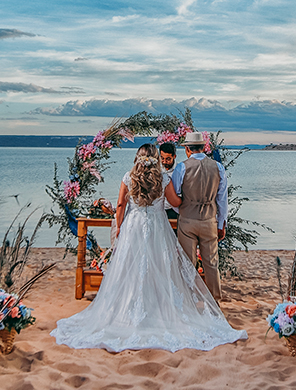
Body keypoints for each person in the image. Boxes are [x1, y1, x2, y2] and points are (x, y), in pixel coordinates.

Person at [51, 144, 246, 353]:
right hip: (157, 227)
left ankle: (127, 310)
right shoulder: (163, 179)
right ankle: (160, 307)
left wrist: (118, 228)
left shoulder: (128, 177)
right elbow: (176, 201)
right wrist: (189, 198)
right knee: (160, 265)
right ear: (157, 159)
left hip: (133, 227)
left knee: (130, 267)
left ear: (138, 158)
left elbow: (120, 205)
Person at [165, 131, 228, 301]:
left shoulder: (181, 167)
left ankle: (188, 300)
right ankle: (214, 302)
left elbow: (175, 197)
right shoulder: (218, 167)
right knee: (212, 264)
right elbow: (222, 199)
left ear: (187, 149)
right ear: (203, 147)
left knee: (187, 263)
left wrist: (184, 211)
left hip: (187, 220)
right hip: (209, 220)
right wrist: (221, 223)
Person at [159, 142, 179, 227]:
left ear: (174, 156)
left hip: (173, 210)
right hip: (159, 210)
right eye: (162, 158)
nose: (164, 161)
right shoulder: (156, 169)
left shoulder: (179, 171)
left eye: (168, 159)